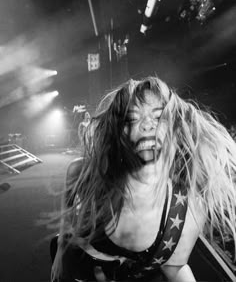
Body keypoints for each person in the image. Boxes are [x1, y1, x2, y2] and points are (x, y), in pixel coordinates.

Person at [51, 76, 236, 282]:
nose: (147, 125)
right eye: (131, 118)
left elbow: (174, 268)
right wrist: (61, 248)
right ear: (118, 133)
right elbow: (73, 176)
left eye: (158, 117)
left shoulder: (188, 208)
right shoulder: (90, 175)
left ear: (175, 129)